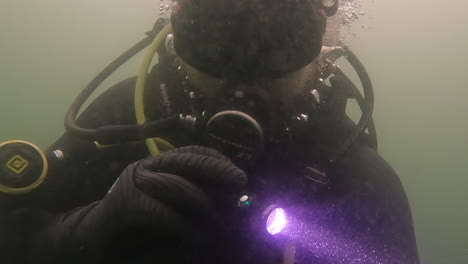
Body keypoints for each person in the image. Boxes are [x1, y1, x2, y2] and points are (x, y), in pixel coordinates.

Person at [0, 0, 420, 263]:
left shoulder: (357, 178)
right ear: (176, 24)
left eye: (282, 36)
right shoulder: (121, 121)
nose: (245, 72)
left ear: (328, 46)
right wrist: (85, 231)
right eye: (216, 34)